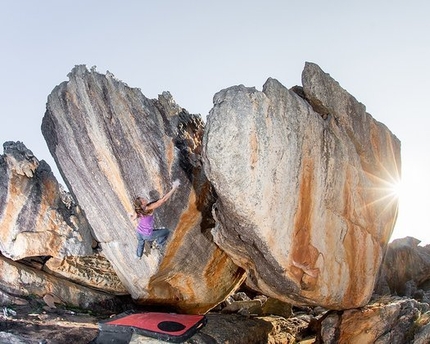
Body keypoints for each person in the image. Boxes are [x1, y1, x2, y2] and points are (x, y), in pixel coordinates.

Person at [131, 179, 180, 258]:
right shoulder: (149, 208)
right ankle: (159, 243)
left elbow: (133, 218)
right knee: (166, 231)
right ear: (142, 204)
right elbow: (163, 200)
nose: (144, 199)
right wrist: (174, 188)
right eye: (143, 200)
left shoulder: (137, 210)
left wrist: (132, 215)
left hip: (139, 232)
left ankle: (138, 255)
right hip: (147, 235)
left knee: (140, 242)